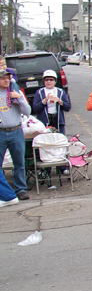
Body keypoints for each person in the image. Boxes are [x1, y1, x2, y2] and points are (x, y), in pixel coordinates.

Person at [0, 68, 31, 200]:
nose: (6, 80)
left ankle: (21, 189)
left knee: (19, 162)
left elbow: (28, 112)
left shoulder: (15, 92)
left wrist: (19, 99)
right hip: (1, 132)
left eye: (8, 78)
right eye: (3, 78)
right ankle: (4, 191)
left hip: (16, 131)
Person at [32, 70, 71, 135]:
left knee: (59, 141)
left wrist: (60, 101)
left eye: (51, 80)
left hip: (58, 121)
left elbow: (67, 108)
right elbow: (35, 108)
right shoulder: (39, 92)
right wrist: (45, 100)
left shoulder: (60, 92)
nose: (49, 82)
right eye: (46, 80)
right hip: (44, 122)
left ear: (55, 81)